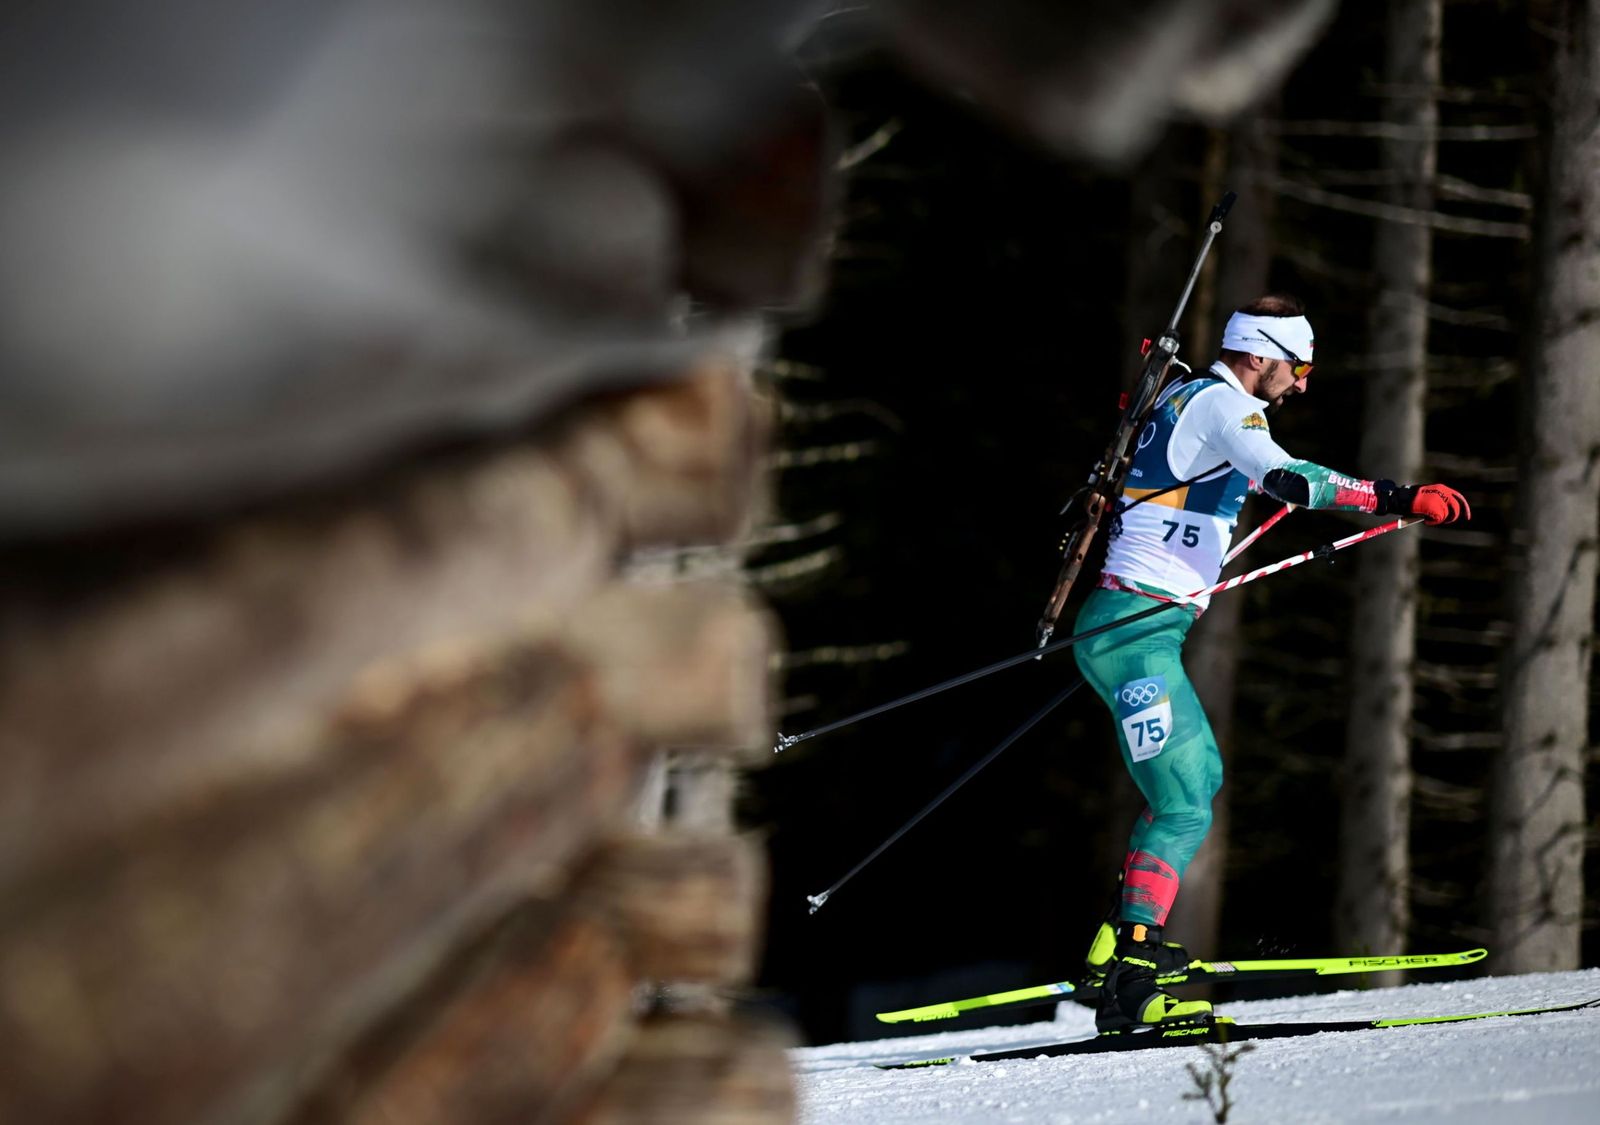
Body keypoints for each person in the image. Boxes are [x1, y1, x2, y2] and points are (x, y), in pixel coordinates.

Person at [1072, 294, 1470, 1033]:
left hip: (1138, 627)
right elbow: (1291, 480)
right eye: (1299, 367)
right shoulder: (1226, 406)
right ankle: (1132, 980)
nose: (1303, 383)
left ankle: (1114, 945)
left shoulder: (1196, 399)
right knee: (1185, 799)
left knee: (1195, 782)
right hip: (1132, 633)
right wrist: (1399, 496)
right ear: (1260, 354)